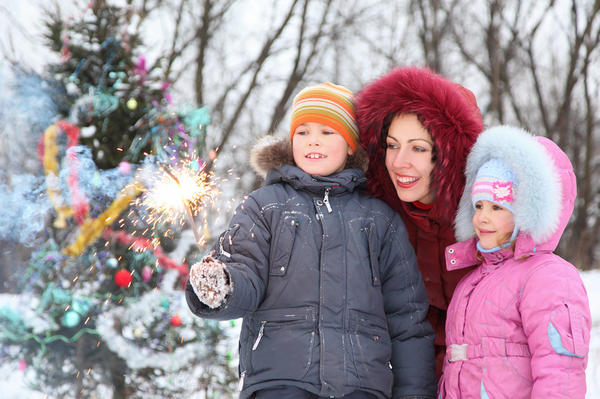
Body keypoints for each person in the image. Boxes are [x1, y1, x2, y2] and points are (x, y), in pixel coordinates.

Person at [185, 82, 436, 399]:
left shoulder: (379, 219)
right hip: (281, 381)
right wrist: (222, 285)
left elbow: (406, 320)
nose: (313, 140)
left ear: (350, 146)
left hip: (361, 386)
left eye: (327, 132)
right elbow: (243, 270)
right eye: (302, 132)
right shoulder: (265, 206)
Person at [439, 125, 591, 398]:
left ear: (527, 211)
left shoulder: (548, 277)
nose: (482, 218)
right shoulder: (471, 281)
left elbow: (561, 376)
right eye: (478, 206)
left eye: (497, 207)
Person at [355, 67, 485, 377]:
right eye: (391, 145)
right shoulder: (378, 215)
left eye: (418, 148)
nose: (399, 162)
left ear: (450, 155)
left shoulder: (486, 218)